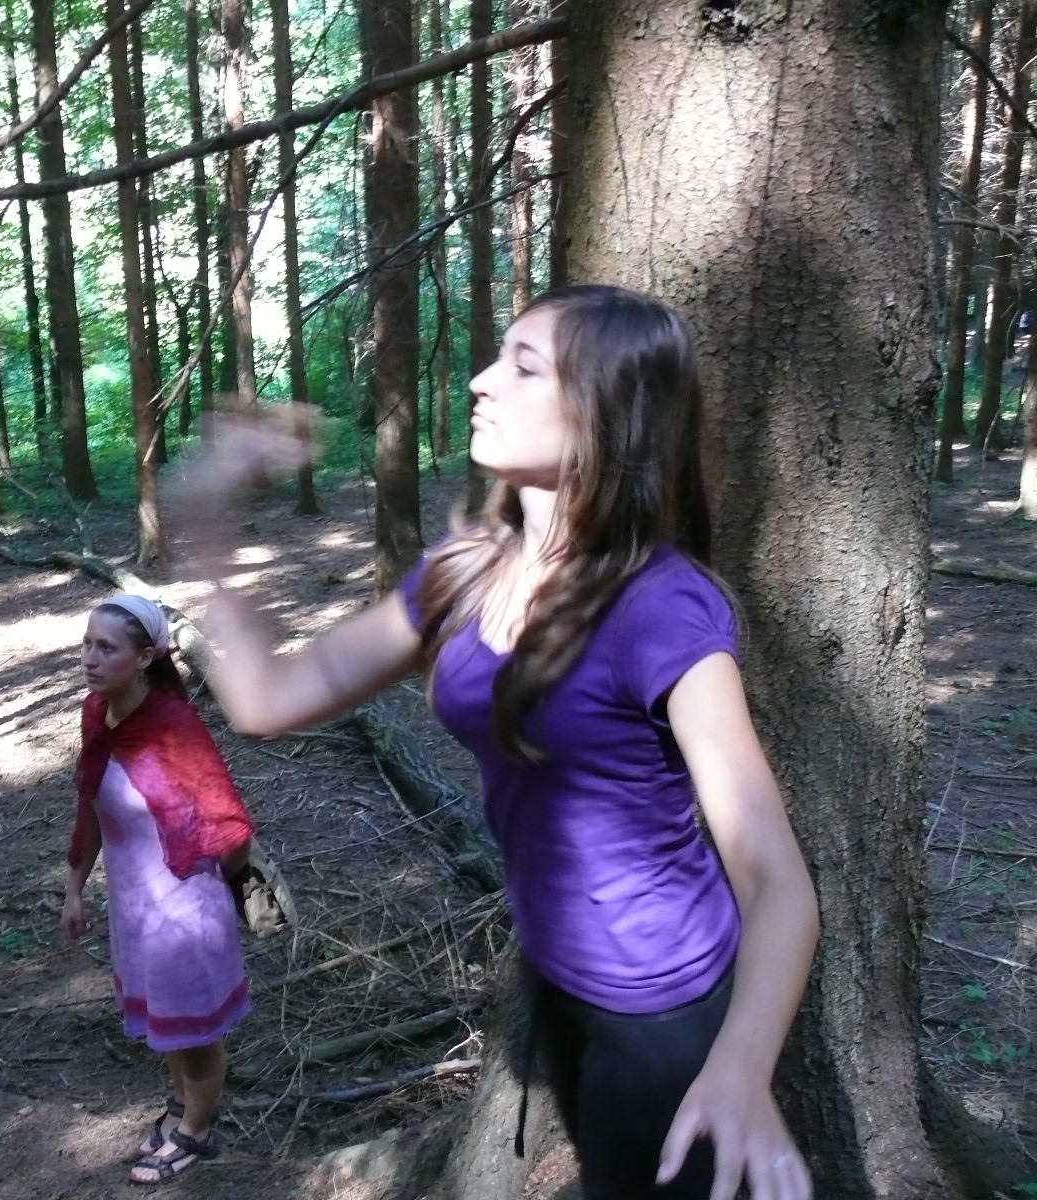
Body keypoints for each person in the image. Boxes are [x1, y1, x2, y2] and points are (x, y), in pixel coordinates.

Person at [169, 285, 819, 1200]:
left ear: (604, 412)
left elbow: (778, 883)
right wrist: (206, 525)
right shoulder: (465, 574)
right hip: (558, 985)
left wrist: (741, 1070)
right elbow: (268, 698)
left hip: (666, 1020)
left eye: (522, 366)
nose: (479, 380)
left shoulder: (660, 609)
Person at [60, 594, 254, 1185]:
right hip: (135, 907)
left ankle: (196, 1132)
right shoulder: (98, 714)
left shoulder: (175, 728)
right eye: (87, 644)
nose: (90, 658)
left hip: (185, 908)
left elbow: (231, 826)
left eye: (106, 648)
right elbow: (90, 803)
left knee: (195, 1031)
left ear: (145, 657)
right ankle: (180, 1107)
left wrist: (218, 893)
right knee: (169, 1021)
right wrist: (74, 887)